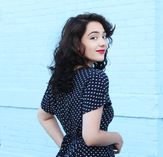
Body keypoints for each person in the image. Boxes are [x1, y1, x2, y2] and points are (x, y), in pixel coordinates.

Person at [37, 13, 123, 157]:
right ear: (76, 44)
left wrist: (66, 146)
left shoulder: (60, 77)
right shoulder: (95, 77)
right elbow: (91, 137)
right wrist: (117, 137)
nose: (103, 43)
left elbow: (43, 116)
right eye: (93, 37)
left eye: (104, 36)